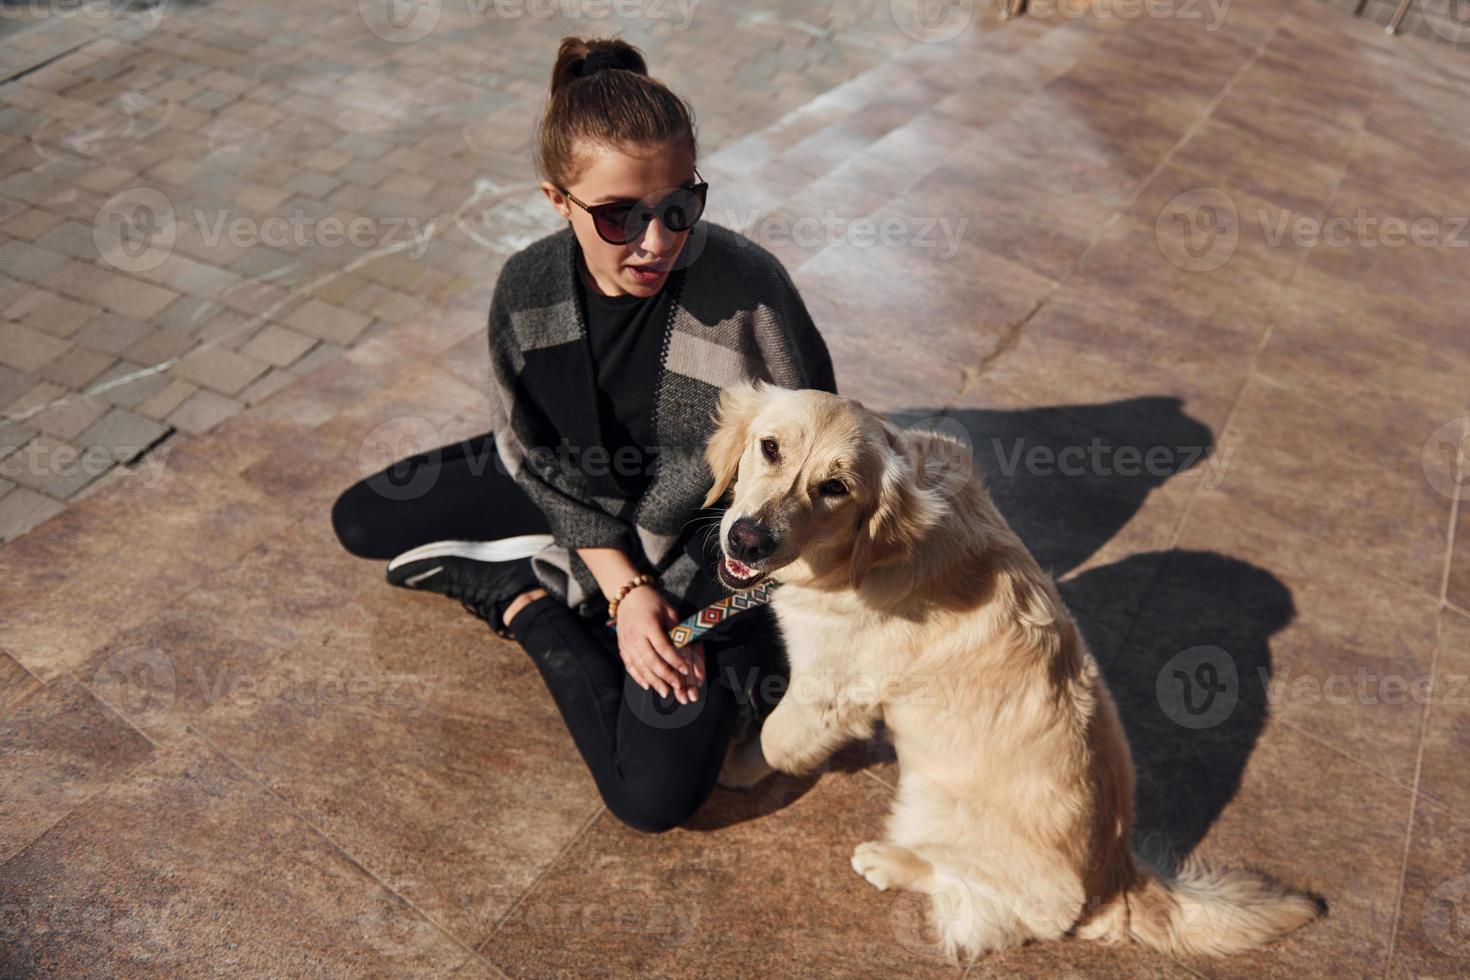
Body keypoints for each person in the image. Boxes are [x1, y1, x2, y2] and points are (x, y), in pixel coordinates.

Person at [330, 36, 837, 833]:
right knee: (360, 521)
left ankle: (525, 599)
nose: (656, 240)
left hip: (710, 545)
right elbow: (530, 449)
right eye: (618, 215)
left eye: (679, 205)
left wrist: (683, 609)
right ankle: (574, 559)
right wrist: (622, 586)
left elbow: (805, 466)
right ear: (557, 201)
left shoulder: (749, 289)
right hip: (575, 487)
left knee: (651, 799)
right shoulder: (526, 289)